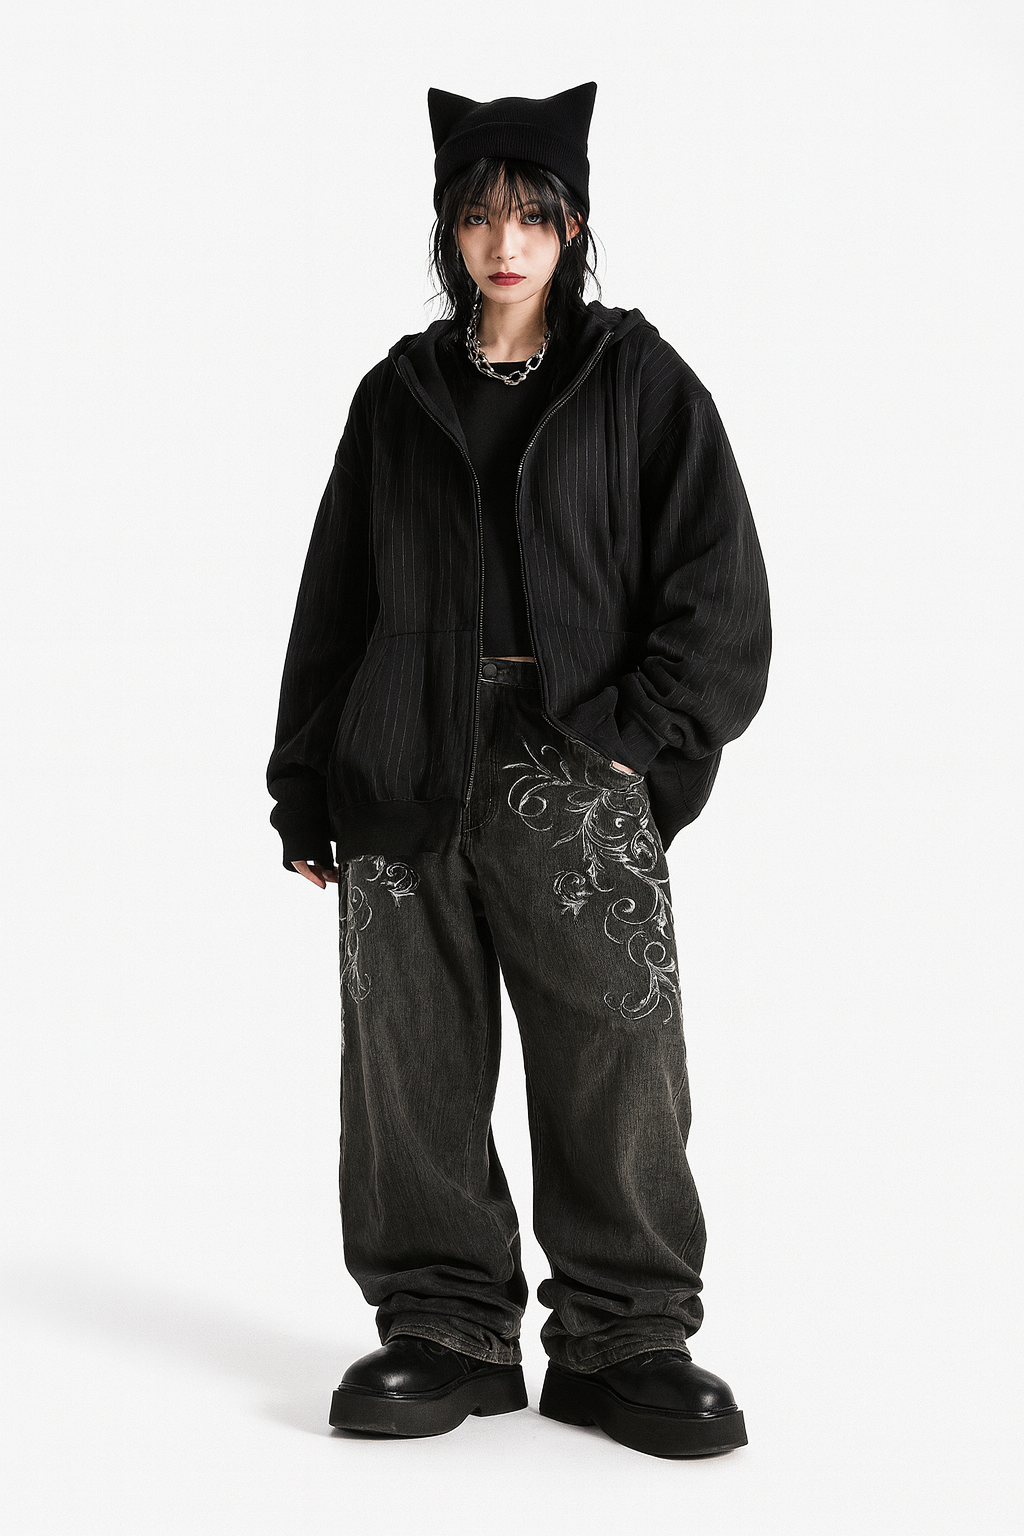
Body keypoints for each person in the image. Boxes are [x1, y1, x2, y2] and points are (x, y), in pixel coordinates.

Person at [266, 82, 771, 1459]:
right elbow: (334, 601)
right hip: (401, 756)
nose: (505, 242)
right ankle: (445, 1330)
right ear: (449, 229)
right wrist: (303, 783)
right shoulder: (397, 395)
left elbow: (719, 584)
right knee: (409, 1060)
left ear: (573, 228)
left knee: (617, 1050)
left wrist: (633, 735)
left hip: (576, 750)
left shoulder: (637, 381)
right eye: (480, 216)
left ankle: (625, 1340)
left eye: (533, 217)